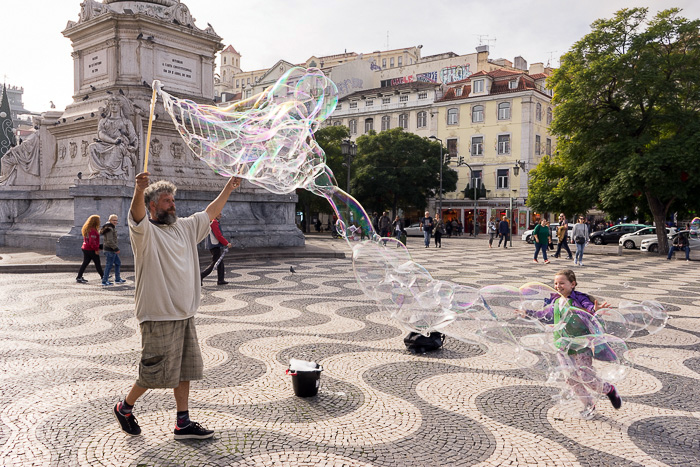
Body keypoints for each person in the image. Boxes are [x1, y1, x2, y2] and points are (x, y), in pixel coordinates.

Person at [113, 171, 241, 440]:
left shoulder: (184, 226)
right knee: (153, 372)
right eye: (166, 201)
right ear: (153, 206)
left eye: (173, 200)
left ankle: (182, 423)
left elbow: (210, 212)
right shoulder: (144, 233)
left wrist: (229, 187)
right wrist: (139, 189)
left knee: (185, 370)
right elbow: (135, 214)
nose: (172, 204)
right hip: (158, 314)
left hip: (185, 313)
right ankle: (125, 407)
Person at [527, 269, 621, 419]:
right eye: (556, 283)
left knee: (585, 375)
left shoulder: (579, 299)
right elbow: (546, 314)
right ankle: (588, 404)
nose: (558, 286)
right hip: (562, 346)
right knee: (570, 378)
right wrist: (528, 312)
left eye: (562, 283)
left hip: (580, 344)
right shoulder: (556, 301)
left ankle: (609, 390)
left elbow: (588, 308)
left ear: (573, 284)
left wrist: (594, 309)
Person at [87, 96, 138, 179]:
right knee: (91, 147)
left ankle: (108, 171)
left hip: (119, 145)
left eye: (115, 104)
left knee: (118, 148)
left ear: (119, 106)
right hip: (106, 143)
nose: (113, 106)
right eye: (111, 104)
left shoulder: (126, 122)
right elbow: (101, 134)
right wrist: (113, 141)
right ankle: (99, 171)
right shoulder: (103, 121)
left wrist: (128, 143)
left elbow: (133, 138)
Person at [200, 213, 232, 286]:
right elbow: (218, 235)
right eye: (219, 214)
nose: (221, 216)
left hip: (214, 244)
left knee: (220, 263)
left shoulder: (213, 222)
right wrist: (226, 243)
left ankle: (221, 280)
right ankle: (201, 276)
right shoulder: (214, 222)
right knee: (215, 263)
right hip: (214, 245)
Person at [76, 215, 104, 283]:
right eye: (98, 220)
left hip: (86, 248)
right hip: (90, 249)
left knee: (85, 263)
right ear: (95, 222)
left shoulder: (87, 228)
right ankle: (103, 277)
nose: (100, 222)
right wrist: (96, 249)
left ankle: (79, 277)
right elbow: (92, 242)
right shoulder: (93, 230)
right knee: (97, 263)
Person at [100, 214, 127, 286]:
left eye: (116, 220)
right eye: (113, 220)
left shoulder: (111, 227)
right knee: (109, 265)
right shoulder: (109, 228)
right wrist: (116, 248)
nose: (115, 222)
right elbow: (109, 240)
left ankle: (117, 279)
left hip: (111, 250)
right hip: (110, 250)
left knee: (118, 263)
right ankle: (104, 281)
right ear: (109, 220)